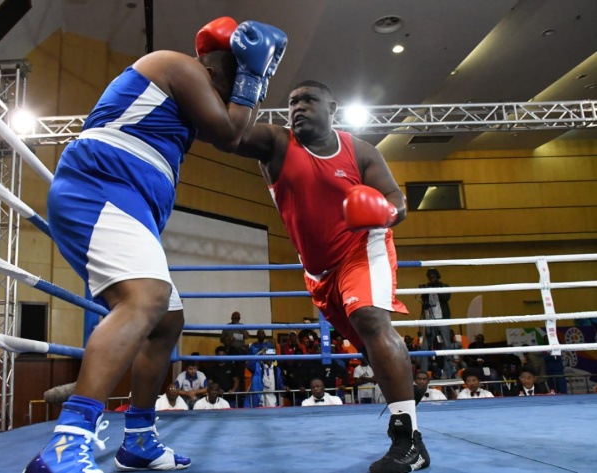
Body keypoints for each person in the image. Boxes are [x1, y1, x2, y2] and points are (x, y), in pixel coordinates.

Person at [25, 17, 288, 472]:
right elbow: (230, 133)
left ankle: (140, 438)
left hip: (128, 201)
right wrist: (253, 75)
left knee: (168, 321)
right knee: (145, 300)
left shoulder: (190, 103)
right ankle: (65, 446)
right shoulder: (179, 66)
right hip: (100, 185)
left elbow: (243, 134)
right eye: (241, 70)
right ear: (225, 63)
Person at [234, 80, 428, 472]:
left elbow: (396, 200)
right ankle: (407, 388)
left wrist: (384, 213)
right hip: (317, 270)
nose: (298, 107)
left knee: (371, 319)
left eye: (308, 100)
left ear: (331, 108)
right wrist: (244, 82)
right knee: (365, 343)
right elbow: (228, 131)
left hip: (362, 247)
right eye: (292, 102)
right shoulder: (277, 143)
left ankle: (408, 440)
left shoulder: (359, 151)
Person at [419, 268, 453, 377]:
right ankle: (423, 372)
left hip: (443, 319)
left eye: (433, 275)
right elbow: (424, 305)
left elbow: (445, 297)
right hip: (430, 320)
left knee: (446, 345)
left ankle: (447, 372)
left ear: (437, 276)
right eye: (429, 276)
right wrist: (424, 293)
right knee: (425, 346)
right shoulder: (427, 288)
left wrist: (436, 287)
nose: (431, 277)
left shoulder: (444, 286)